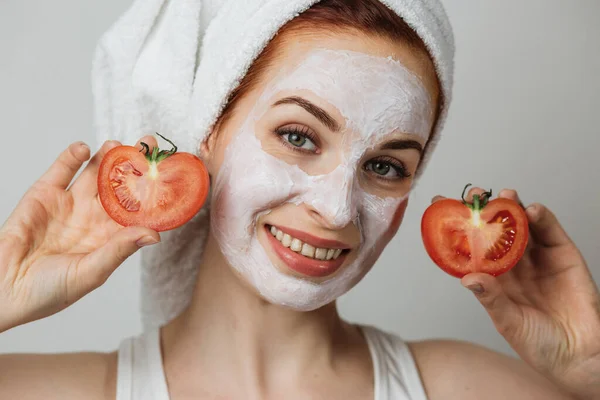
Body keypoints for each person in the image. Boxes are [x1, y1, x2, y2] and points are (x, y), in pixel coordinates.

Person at [0, 0, 598, 399]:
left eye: (386, 166)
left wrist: (589, 370)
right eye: (297, 136)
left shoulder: (470, 391)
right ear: (207, 132)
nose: (337, 210)